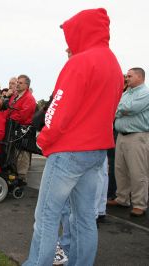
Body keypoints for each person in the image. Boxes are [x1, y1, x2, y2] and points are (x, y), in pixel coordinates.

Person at [23, 8, 123, 265]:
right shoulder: (112, 62)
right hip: (96, 151)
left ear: (81, 31)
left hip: (68, 151)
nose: (68, 41)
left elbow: (58, 108)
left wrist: (43, 140)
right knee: (84, 218)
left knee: (46, 216)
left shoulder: (79, 61)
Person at [108, 67, 149, 217]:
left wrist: (119, 109)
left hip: (137, 136)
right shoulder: (126, 93)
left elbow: (130, 108)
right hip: (121, 136)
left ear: (140, 77)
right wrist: (120, 109)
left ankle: (139, 204)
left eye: (130, 76)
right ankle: (122, 198)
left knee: (138, 171)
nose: (127, 78)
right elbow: (117, 108)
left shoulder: (145, 93)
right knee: (120, 169)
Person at [4, 75, 36, 184]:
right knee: (13, 153)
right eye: (17, 82)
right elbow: (9, 109)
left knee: (22, 154)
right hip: (12, 128)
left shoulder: (29, 98)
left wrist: (8, 117)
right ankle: (13, 174)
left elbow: (22, 115)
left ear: (27, 86)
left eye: (21, 82)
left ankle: (21, 179)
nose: (17, 84)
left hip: (23, 130)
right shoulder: (15, 96)